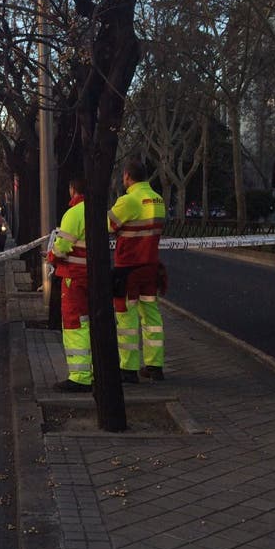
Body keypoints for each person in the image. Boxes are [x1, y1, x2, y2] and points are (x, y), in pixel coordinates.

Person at [108, 159, 167, 383]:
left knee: (127, 319)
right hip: (150, 266)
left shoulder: (128, 201)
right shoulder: (158, 199)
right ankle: (155, 366)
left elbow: (106, 225)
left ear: (127, 176)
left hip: (128, 268)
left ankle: (129, 369)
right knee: (152, 316)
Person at [47, 178, 92, 392]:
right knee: (88, 322)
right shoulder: (98, 211)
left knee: (75, 324)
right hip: (92, 277)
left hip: (74, 277)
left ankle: (80, 376)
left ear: (72, 189)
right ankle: (91, 371)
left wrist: (51, 255)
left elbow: (62, 247)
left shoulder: (73, 213)